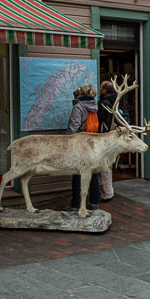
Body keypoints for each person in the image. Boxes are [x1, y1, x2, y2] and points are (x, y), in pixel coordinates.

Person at [66, 83, 100, 212]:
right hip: (93, 142)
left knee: (77, 175)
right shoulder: (94, 105)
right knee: (93, 173)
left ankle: (76, 204)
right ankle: (94, 202)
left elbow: (74, 126)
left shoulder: (79, 107)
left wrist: (66, 141)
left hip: (80, 143)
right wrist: (76, 97)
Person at [97, 80, 117, 201]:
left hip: (104, 136)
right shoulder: (115, 101)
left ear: (105, 90)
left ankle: (106, 193)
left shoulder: (104, 103)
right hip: (112, 136)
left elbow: (100, 118)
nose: (99, 89)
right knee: (107, 164)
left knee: (103, 165)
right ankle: (108, 191)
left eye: (101, 87)